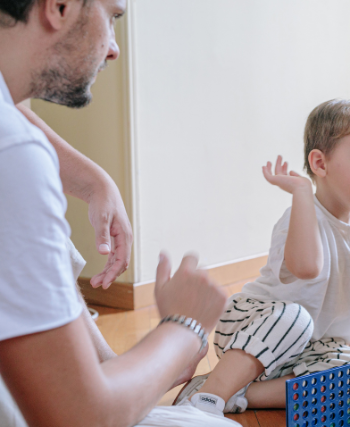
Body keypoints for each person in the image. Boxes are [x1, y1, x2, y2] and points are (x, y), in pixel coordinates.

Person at [0, 1, 236, 426]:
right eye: (112, 17)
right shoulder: (13, 155)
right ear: (59, 6)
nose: (113, 48)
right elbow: (81, 418)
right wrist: (185, 328)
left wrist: (93, 181)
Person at [173, 99, 350, 416]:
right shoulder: (299, 216)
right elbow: (307, 267)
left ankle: (236, 395)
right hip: (256, 333)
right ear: (320, 163)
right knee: (296, 319)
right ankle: (210, 396)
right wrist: (301, 192)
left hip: (307, 353)